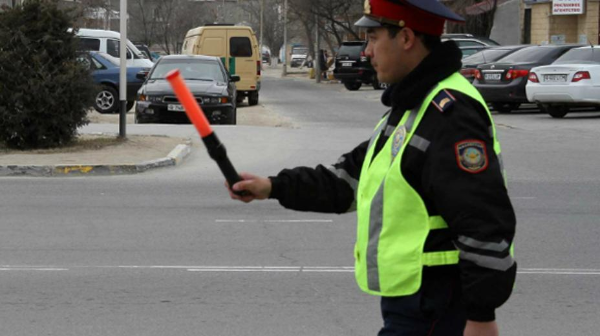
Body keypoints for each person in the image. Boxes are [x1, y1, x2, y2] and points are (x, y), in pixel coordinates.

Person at [227, 0, 517, 335]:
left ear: (406, 38)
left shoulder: (449, 112)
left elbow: (483, 218)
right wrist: (272, 186)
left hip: (438, 305)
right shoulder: (411, 106)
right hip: (415, 302)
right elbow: (347, 182)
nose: (366, 52)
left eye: (373, 38)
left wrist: (481, 316)